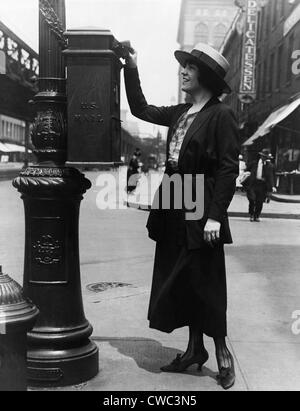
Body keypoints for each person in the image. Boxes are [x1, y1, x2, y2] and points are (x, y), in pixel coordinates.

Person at [124, 43, 240, 390]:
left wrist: (216, 216)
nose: (183, 71)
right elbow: (141, 108)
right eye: (184, 65)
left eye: (190, 66)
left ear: (206, 75)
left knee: (206, 278)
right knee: (179, 275)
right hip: (175, 196)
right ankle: (194, 350)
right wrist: (131, 66)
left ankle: (221, 352)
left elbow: (227, 168)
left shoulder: (222, 115)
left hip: (201, 199)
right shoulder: (180, 112)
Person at [244, 149, 277, 222]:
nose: (264, 158)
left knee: (260, 201)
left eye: (266, 157)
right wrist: (247, 174)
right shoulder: (254, 163)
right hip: (253, 184)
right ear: (261, 156)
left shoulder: (269, 166)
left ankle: (257, 216)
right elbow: (246, 170)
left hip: (262, 186)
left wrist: (272, 186)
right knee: (252, 199)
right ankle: (251, 214)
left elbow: (271, 177)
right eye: (263, 156)